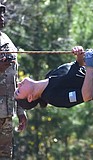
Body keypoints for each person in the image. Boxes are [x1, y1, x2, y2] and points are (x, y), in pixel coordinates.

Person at [0, 3, 27, 159]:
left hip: (7, 112)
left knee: (5, 155)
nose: (1, 17)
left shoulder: (6, 39)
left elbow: (14, 79)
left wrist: (21, 110)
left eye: (2, 13)